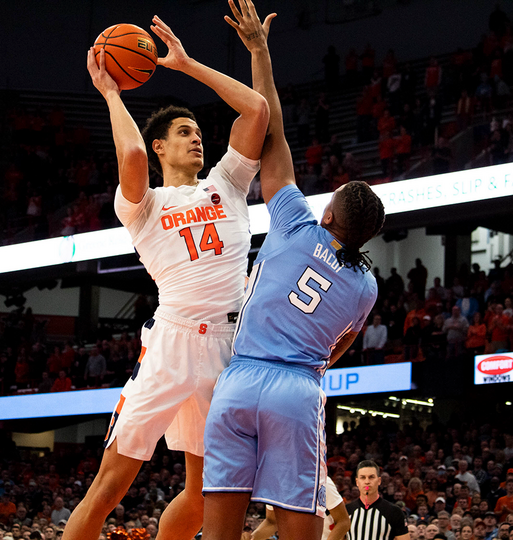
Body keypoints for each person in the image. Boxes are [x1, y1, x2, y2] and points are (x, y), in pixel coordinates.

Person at [64, 14, 269, 540]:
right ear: (161, 147)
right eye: (184, 133)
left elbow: (257, 109)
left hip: (228, 347)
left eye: (200, 133)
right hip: (171, 343)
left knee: (203, 497)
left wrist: (186, 65)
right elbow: (130, 151)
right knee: (109, 485)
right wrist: (110, 91)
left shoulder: (227, 182)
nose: (197, 140)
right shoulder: (143, 205)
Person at [202, 3, 384, 539]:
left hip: (237, 383)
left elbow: (272, 131)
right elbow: (336, 350)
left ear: (328, 214)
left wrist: (260, 51)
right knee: (302, 529)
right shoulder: (364, 285)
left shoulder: (294, 223)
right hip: (297, 389)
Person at [252, 476, 351, 540]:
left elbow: (343, 521)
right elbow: (272, 522)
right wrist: (252, 538)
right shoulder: (274, 485)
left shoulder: (321, 481)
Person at [347, 461, 411, 540]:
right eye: (363, 477)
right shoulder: (346, 511)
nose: (367, 482)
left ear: (379, 481)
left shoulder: (394, 512)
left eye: (371, 477)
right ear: (357, 482)